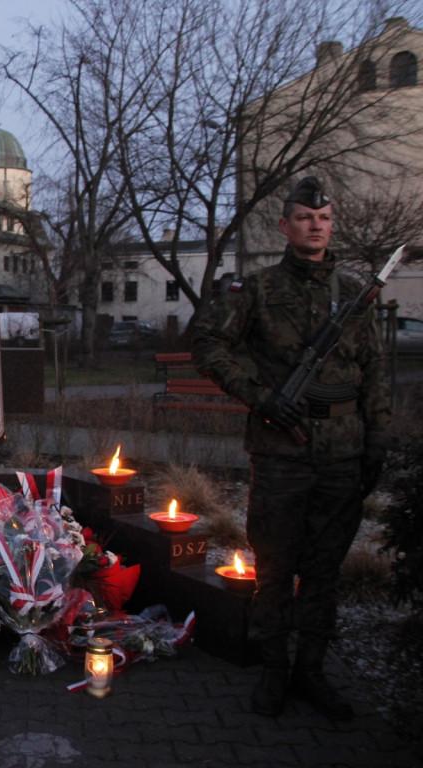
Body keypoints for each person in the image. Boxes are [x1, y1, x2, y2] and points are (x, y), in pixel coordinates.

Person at [191, 177, 391, 720]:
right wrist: (261, 399)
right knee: (275, 569)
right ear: (285, 226)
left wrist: (377, 440)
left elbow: (374, 369)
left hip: (343, 452)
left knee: (325, 570)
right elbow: (207, 344)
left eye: (323, 218)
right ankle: (275, 670)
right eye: (305, 217)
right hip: (281, 451)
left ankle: (313, 671)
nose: (316, 224)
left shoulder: (354, 292)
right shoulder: (256, 289)